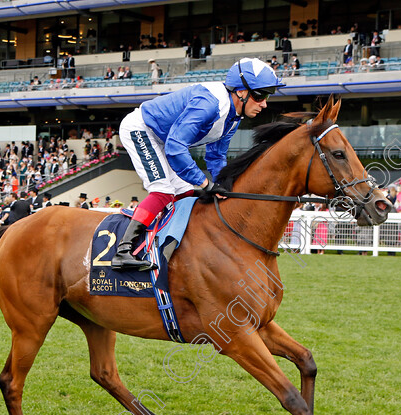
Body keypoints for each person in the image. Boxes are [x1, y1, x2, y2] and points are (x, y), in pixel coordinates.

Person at [111, 57, 284, 271]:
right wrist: (204, 183)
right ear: (240, 92)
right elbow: (176, 147)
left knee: (185, 193)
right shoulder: (209, 104)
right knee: (163, 190)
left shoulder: (233, 116)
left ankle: (171, 246)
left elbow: (216, 156)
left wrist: (222, 184)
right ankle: (123, 251)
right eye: (260, 95)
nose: (264, 103)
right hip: (142, 129)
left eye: (267, 96)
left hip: (164, 139)